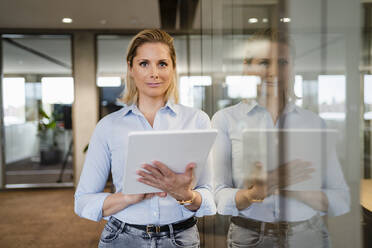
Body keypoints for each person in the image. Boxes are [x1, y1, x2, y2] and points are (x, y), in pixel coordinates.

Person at [74, 29, 216, 248]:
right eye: (144, 64)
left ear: (173, 68)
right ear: (131, 68)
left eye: (162, 64)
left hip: (181, 238)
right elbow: (83, 200)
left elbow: (209, 194)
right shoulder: (109, 126)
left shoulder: (197, 120)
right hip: (121, 237)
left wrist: (185, 195)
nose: (154, 73)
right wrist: (129, 197)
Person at [212, 29, 350, 248]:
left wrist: (292, 189)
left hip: (307, 236)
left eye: (283, 62)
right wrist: (253, 194)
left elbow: (340, 198)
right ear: (247, 68)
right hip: (250, 237)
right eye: (264, 62)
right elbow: (218, 195)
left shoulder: (314, 123)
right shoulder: (225, 120)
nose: (274, 71)